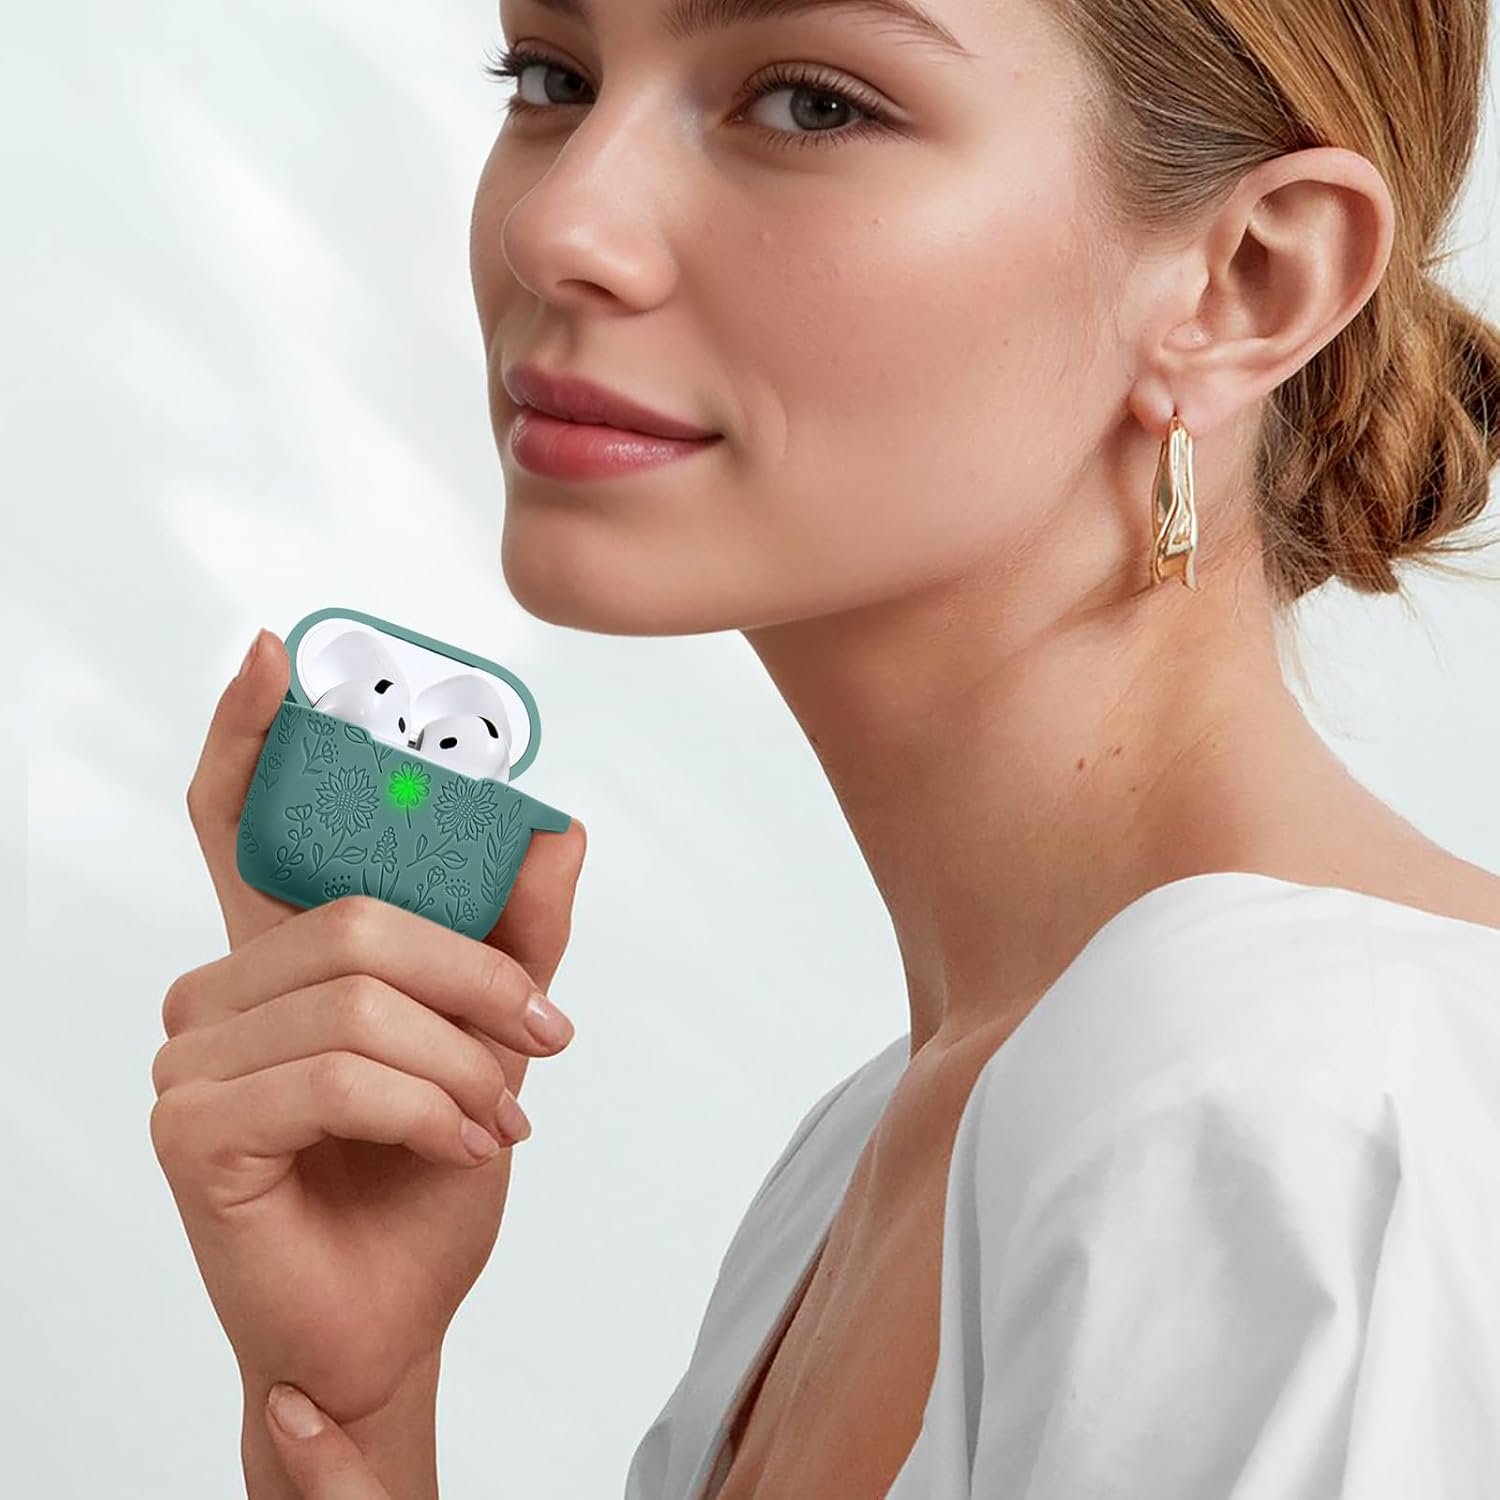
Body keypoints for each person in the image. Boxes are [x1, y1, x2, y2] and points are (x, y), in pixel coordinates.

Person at [151, 0, 1500, 1495]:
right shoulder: (891, 1137)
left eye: (812, 104)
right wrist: (357, 1407)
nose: (557, 226)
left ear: (1247, 282)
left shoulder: (1303, 1131)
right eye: (552, 76)